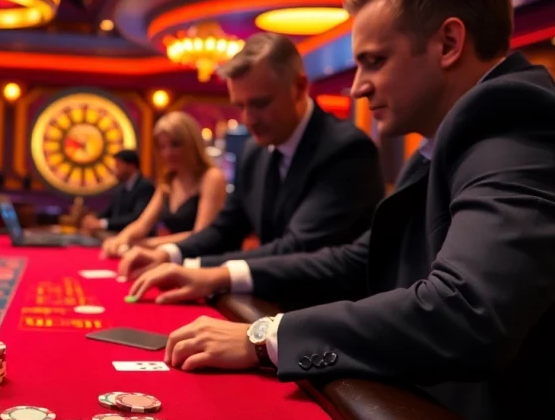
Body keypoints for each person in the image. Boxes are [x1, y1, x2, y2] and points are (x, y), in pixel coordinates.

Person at [147, 0, 555, 420]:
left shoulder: (518, 126)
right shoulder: (449, 141)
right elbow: (362, 258)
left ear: (449, 43)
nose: (357, 86)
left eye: (374, 61)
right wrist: (219, 275)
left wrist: (265, 336)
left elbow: (464, 310)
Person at [118, 32, 384, 284]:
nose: (249, 120)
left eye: (260, 104)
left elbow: (297, 247)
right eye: (241, 106)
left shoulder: (346, 149)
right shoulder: (253, 152)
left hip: (325, 315)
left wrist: (194, 268)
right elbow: (225, 230)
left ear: (299, 88)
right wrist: (169, 254)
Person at [99, 111, 227, 258]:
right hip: (174, 259)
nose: (167, 153)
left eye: (175, 145)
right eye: (162, 147)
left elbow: (201, 234)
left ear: (192, 143)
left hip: (204, 263)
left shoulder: (212, 177)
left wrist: (147, 244)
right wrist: (121, 239)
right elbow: (142, 224)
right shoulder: (168, 180)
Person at [79, 149, 155, 234]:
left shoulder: (145, 187)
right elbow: (110, 212)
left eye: (118, 165)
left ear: (131, 166)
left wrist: (102, 223)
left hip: (137, 238)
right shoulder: (120, 188)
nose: (114, 170)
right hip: (116, 235)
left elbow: (137, 217)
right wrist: (94, 219)